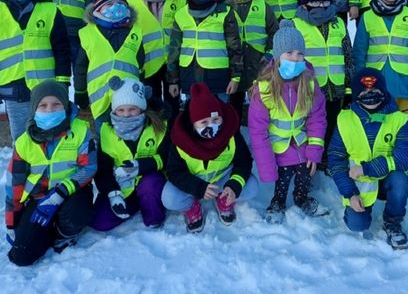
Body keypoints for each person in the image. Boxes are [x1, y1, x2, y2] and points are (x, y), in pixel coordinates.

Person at [5, 80, 96, 266]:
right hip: (38, 199)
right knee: (21, 256)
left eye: (56, 105)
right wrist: (12, 222)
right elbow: (14, 184)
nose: (50, 110)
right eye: (43, 105)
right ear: (34, 109)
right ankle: (46, 230)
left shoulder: (80, 131)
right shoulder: (24, 143)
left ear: (65, 105)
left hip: (71, 193)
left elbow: (89, 167)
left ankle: (63, 234)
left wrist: (59, 193)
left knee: (76, 214)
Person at [248, 20, 327, 224]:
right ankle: (278, 201)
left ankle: (301, 198)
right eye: (289, 53)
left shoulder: (309, 82)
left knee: (305, 172)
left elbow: (317, 118)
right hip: (278, 146)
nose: (295, 58)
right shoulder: (264, 89)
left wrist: (314, 149)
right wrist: (266, 166)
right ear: (277, 56)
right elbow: (257, 132)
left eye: (300, 53)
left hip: (301, 141)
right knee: (283, 175)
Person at [328, 68, 408, 249]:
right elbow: (336, 160)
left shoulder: (398, 118)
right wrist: (350, 194)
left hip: (386, 177)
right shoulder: (345, 119)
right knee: (356, 225)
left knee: (401, 181)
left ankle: (393, 221)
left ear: (384, 91)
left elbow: (406, 157)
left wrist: (368, 168)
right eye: (365, 92)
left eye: (375, 91)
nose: (370, 95)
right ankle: (354, 209)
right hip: (360, 183)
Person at [162, 82, 258, 233]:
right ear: (193, 123)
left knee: (251, 186)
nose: (211, 126)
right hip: (194, 181)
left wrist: (233, 186)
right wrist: (198, 188)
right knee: (169, 197)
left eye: (215, 120)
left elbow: (244, 161)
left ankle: (224, 199)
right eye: (204, 122)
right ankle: (191, 206)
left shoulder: (230, 133)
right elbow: (174, 172)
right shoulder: (181, 140)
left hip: (222, 179)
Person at [0, 0, 71, 143]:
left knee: (50, 132)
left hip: (45, 86)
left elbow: (62, 49)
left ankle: (49, 169)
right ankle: (22, 170)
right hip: (12, 87)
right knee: (22, 138)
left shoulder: (50, 10)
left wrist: (62, 83)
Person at [91, 77, 170, 231]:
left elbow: (167, 158)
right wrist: (113, 193)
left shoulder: (159, 126)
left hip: (150, 182)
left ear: (142, 108)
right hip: (122, 185)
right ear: (114, 110)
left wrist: (140, 166)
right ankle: (132, 204)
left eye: (132, 109)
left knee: (150, 185)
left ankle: (153, 216)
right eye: (121, 110)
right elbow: (103, 169)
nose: (126, 114)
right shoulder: (107, 130)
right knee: (99, 222)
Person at [293, 0, 354, 166]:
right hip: (310, 87)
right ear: (305, 4)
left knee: (333, 124)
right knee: (312, 125)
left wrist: (349, 87)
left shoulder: (338, 24)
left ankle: (329, 157)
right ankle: (311, 158)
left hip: (335, 87)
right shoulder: (295, 24)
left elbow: (348, 56)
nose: (320, 5)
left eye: (324, 1)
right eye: (315, 1)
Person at [166, 0, 243, 103]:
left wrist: (235, 77)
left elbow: (235, 47)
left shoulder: (225, 12)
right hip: (189, 77)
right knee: (194, 118)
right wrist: (173, 80)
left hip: (218, 79)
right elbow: (174, 50)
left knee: (219, 117)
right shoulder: (181, 14)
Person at [75, 0, 145, 127]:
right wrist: (80, 91)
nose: (116, 7)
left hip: (129, 99)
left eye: (120, 3)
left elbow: (141, 64)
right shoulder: (87, 33)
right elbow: (81, 66)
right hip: (99, 98)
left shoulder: (135, 32)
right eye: (109, 4)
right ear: (98, 9)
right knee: (104, 135)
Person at [129, 0, 185, 114]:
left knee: (172, 105)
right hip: (147, 64)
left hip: (172, 63)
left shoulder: (178, 1)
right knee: (152, 106)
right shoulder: (132, 3)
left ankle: (173, 136)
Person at [227, 0, 279, 121]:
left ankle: (260, 125)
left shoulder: (263, 7)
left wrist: (269, 52)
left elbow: (274, 32)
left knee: (260, 97)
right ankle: (236, 127)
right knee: (234, 99)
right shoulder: (226, 8)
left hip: (258, 61)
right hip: (235, 63)